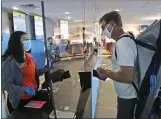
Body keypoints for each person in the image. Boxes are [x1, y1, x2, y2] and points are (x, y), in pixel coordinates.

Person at [97, 11, 137, 119]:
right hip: (126, 95)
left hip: (128, 97)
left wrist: (106, 73)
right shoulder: (125, 39)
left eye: (103, 27)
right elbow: (124, 70)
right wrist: (109, 73)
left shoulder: (123, 43)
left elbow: (127, 77)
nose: (103, 31)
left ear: (112, 24)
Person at [2, 31, 36, 113]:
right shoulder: (9, 62)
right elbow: (5, 85)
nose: (28, 42)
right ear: (16, 42)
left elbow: (33, 73)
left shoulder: (28, 56)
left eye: (28, 39)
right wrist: (23, 90)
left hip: (32, 97)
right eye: (24, 39)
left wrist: (46, 68)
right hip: (19, 101)